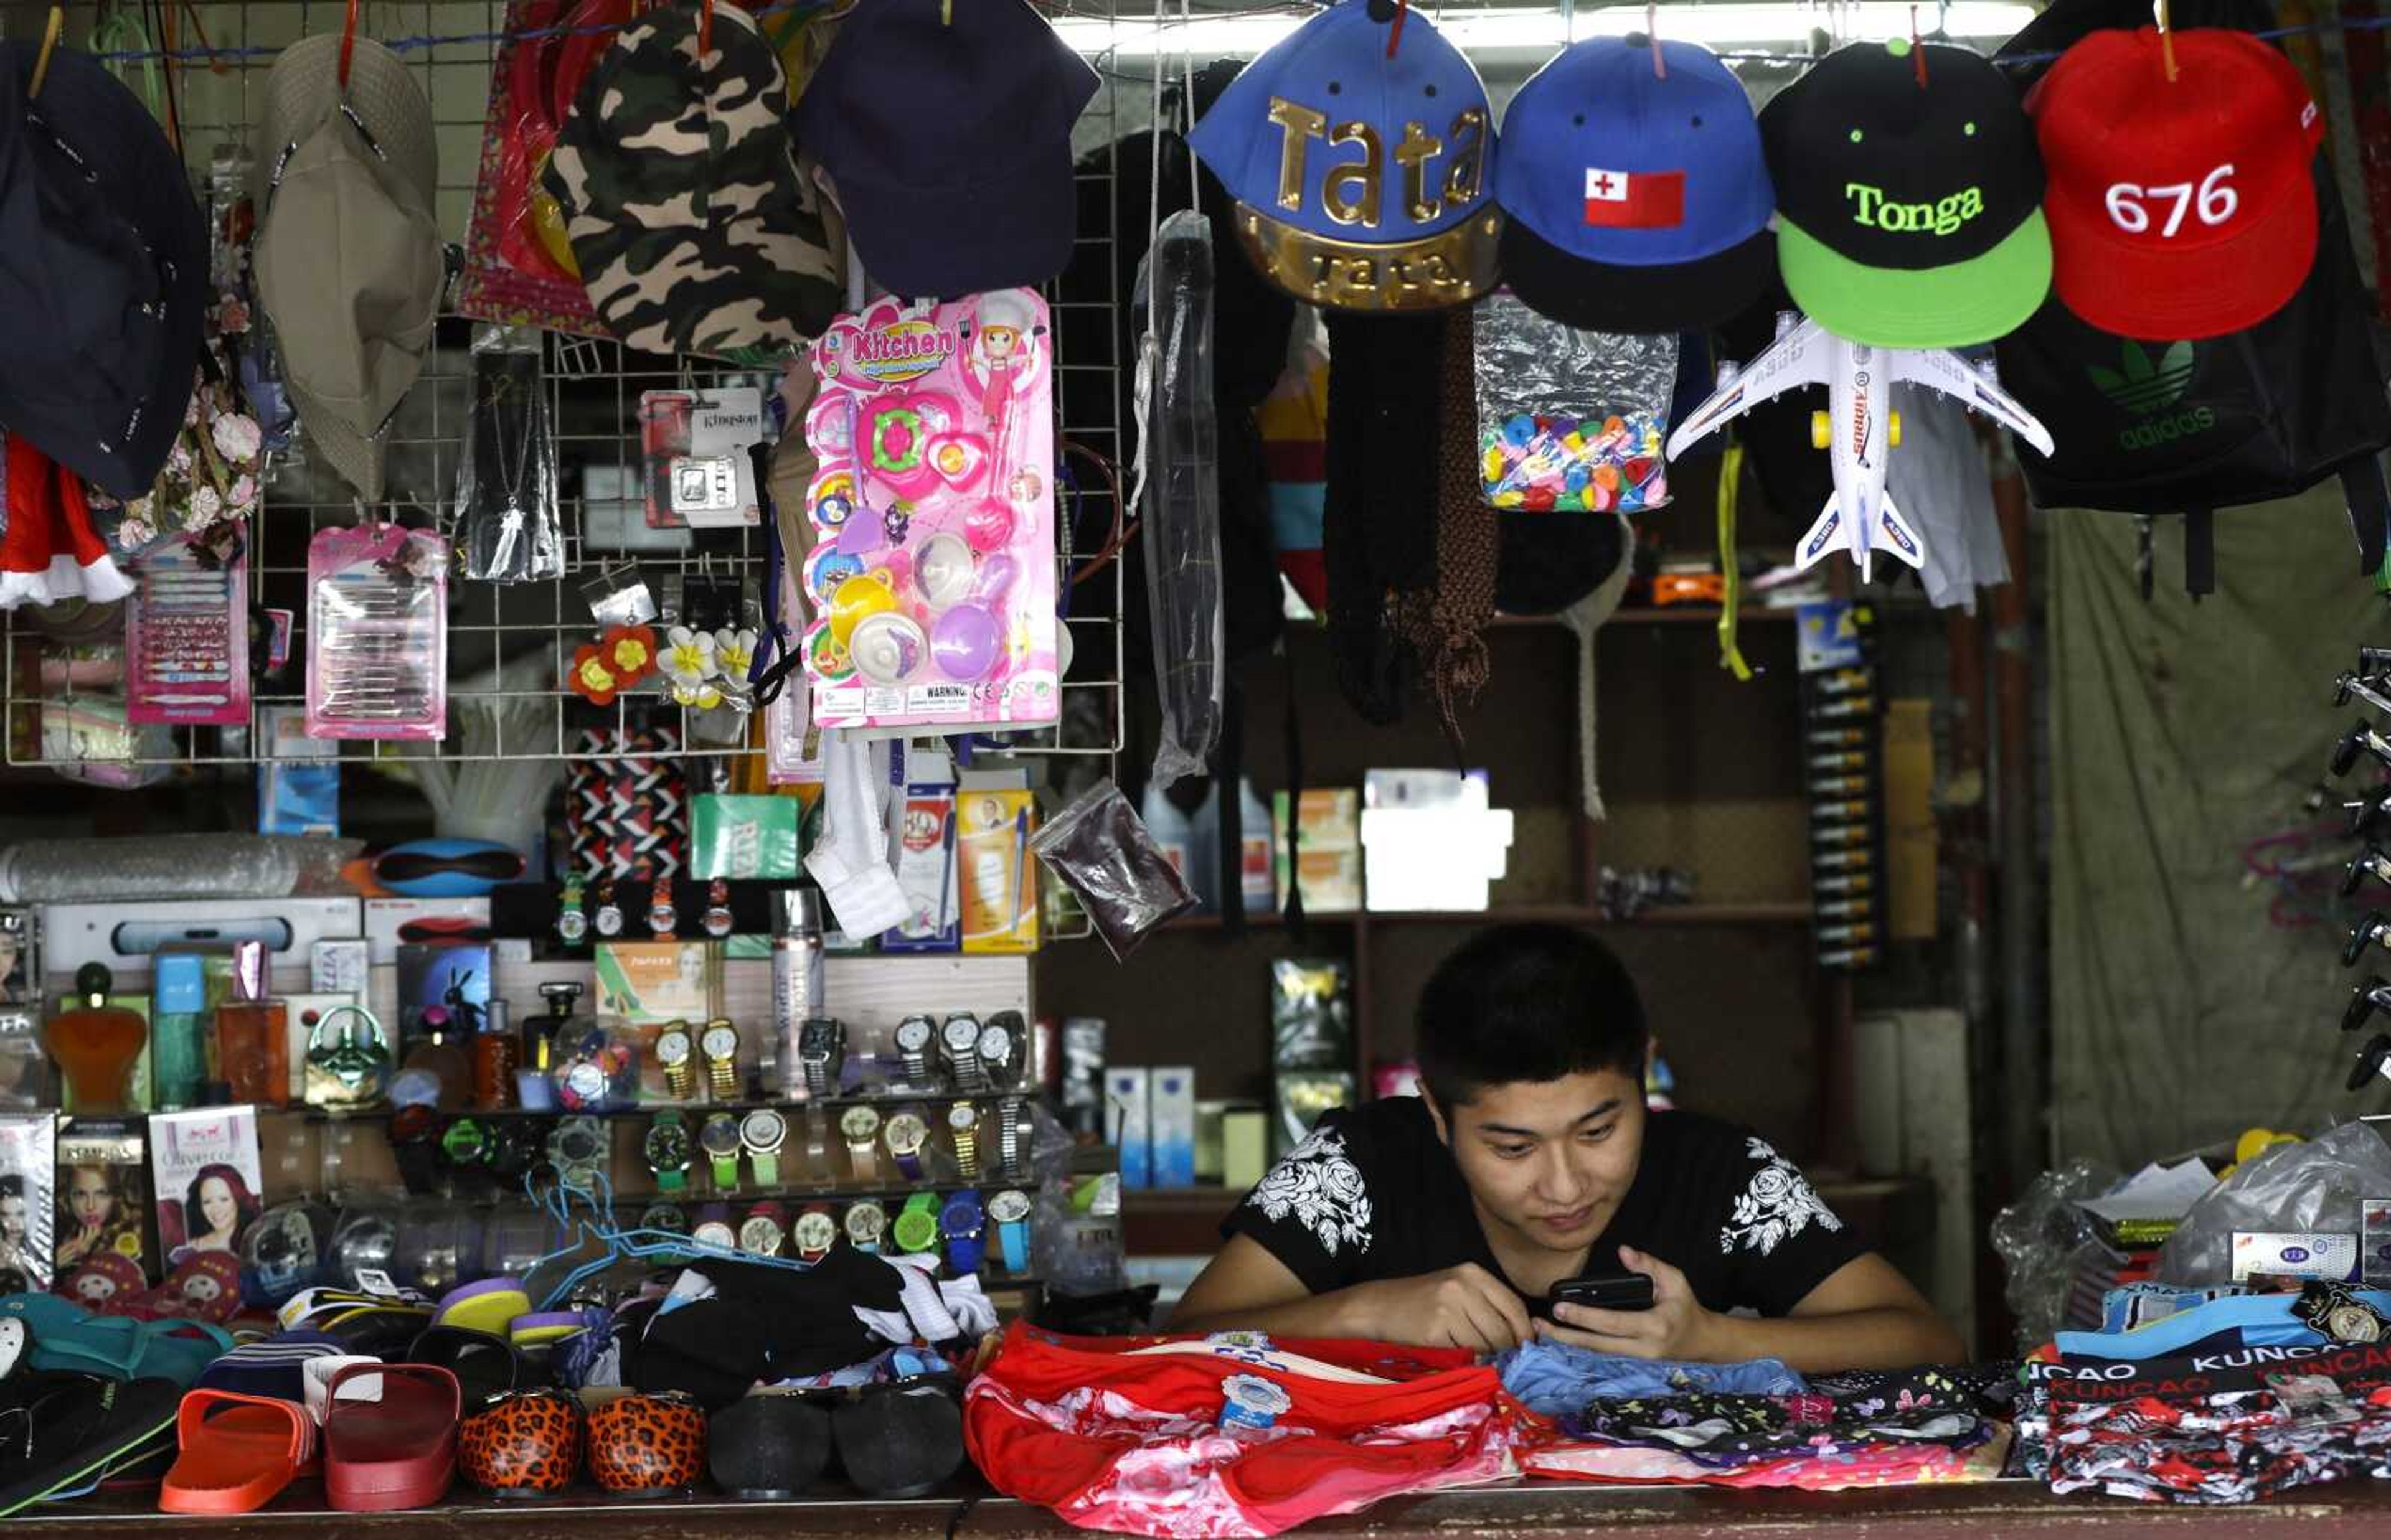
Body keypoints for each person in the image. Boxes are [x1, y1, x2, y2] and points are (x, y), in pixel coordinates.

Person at [1172, 924, 1964, 1370]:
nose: (1565, 1184)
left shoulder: (1720, 1171)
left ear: (1644, 1075)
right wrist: (1367, 1310)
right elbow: (1168, 1346)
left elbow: (1924, 1339)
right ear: (1437, 1115)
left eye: (1599, 1130)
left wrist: (1717, 1339)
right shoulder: (1358, 1164)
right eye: (1512, 1146)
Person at [56, 1163, 140, 1270]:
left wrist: (86, 1260)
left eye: (102, 1194)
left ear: (115, 1196)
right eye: (80, 1194)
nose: (90, 1206)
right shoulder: (58, 1230)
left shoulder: (133, 1230)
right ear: (68, 1197)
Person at [173, 1163, 260, 1263]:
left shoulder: (255, 1240)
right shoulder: (191, 1249)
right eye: (207, 1202)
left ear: (238, 1200)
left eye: (224, 1199)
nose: (216, 1209)